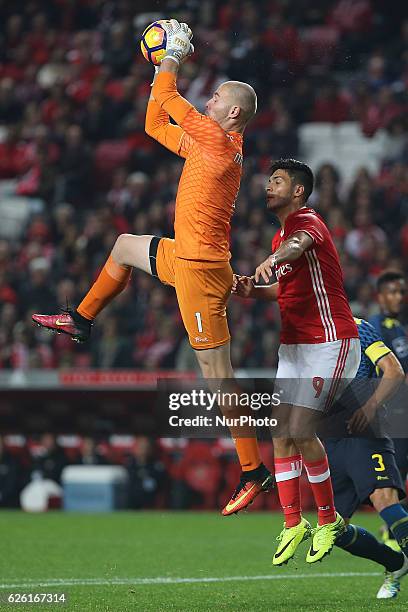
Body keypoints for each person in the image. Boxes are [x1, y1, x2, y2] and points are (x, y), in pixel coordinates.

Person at [32, 20, 272, 510]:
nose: (206, 103)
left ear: (232, 113)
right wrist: (166, 70)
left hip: (200, 270)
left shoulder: (217, 142)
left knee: (219, 376)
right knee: (123, 245)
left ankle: (254, 470)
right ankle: (80, 320)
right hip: (187, 256)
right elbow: (154, 122)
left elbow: (168, 95)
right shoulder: (212, 144)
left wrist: (170, 59)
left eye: (214, 99)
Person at [232, 158, 361, 565]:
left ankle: (328, 519)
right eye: (268, 180)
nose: (268, 186)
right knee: (281, 433)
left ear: (298, 191)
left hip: (329, 340)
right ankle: (293, 522)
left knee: (302, 429)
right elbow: (286, 292)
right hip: (293, 347)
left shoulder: (309, 223)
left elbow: (297, 246)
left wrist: (274, 260)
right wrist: (254, 292)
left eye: (277, 181)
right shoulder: (279, 238)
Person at [324, 318, 408, 600]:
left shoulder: (356, 327)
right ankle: (395, 564)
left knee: (384, 498)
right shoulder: (306, 334)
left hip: (364, 430)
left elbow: (395, 372)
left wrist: (371, 406)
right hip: (331, 439)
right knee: (333, 529)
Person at [369, 270, 408, 548]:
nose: (399, 297)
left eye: (401, 292)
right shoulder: (375, 326)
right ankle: (392, 538)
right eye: (393, 292)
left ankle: (391, 533)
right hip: (392, 416)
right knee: (393, 484)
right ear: (380, 296)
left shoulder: (398, 327)